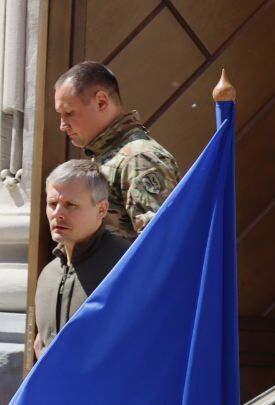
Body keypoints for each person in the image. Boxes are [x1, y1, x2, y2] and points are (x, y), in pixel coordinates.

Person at [53, 61, 179, 240]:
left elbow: (159, 245)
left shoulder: (139, 159)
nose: (62, 125)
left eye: (69, 113)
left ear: (101, 102)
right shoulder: (108, 156)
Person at [33, 160, 128, 357]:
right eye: (52, 204)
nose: (57, 214)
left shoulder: (125, 266)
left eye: (71, 205)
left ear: (101, 210)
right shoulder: (48, 273)